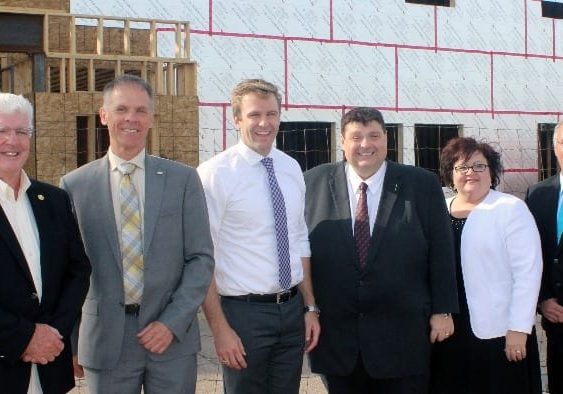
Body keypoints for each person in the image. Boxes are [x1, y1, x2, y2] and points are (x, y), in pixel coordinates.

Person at [60, 74, 214, 393]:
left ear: (152, 119)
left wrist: (171, 322)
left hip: (171, 338)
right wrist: (74, 340)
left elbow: (201, 259)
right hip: (105, 340)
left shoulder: (182, 180)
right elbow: (67, 272)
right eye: (121, 109)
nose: (131, 118)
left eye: (141, 110)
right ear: (104, 116)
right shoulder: (74, 186)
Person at [304, 107, 458, 394]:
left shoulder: (421, 184)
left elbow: (441, 250)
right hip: (338, 341)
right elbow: (300, 251)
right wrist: (307, 308)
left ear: (386, 138)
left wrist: (443, 310)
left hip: (403, 338)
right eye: (357, 137)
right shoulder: (311, 183)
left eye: (374, 135)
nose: (366, 144)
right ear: (342, 140)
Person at [197, 78, 320, 394]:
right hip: (243, 315)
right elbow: (201, 255)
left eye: (272, 114)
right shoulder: (215, 174)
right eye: (254, 115)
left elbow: (298, 239)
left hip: (291, 312)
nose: (264, 123)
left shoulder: (291, 168)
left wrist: (309, 308)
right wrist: (220, 330)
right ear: (236, 119)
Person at [430, 137, 542, 394]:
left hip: (499, 332)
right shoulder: (438, 210)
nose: (471, 173)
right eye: (462, 167)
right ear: (450, 173)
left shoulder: (510, 209)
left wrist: (519, 328)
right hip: (448, 330)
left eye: (479, 166)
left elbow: (528, 272)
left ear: (492, 172)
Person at [0, 93, 91, 393]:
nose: (12, 141)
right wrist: (24, 338)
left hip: (49, 369)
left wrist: (53, 334)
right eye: (1, 131)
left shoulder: (52, 199)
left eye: (21, 131)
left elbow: (78, 271)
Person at [526, 121, 563, 394]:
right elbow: (529, 253)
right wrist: (542, 299)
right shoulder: (538, 194)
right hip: (556, 319)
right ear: (555, 148)